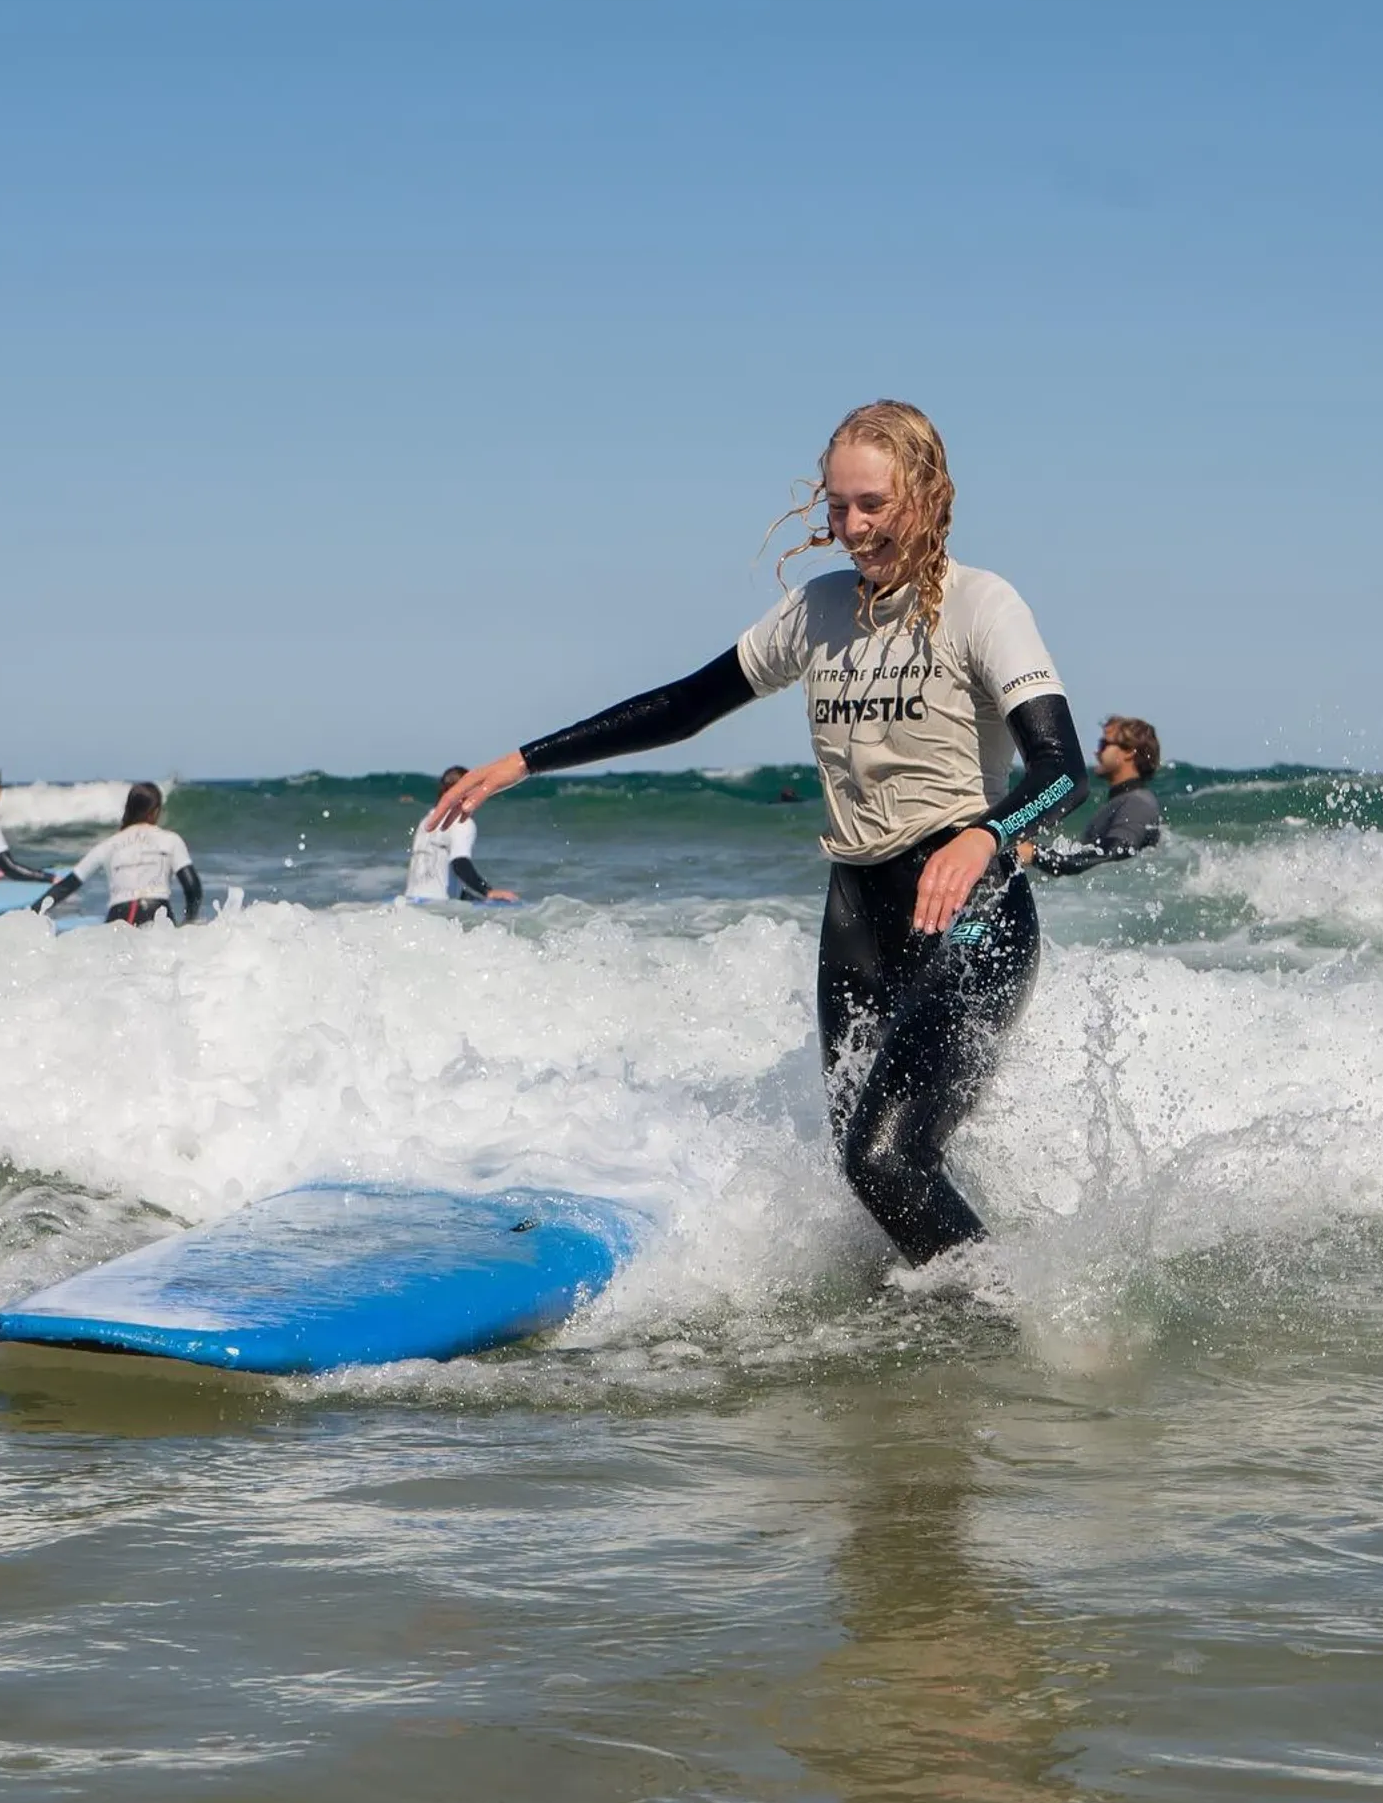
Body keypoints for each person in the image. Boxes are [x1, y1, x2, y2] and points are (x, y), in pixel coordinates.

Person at [426, 401, 1089, 1266]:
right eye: (838, 506)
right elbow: (688, 703)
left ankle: (1008, 1332)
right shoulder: (817, 613)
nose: (852, 528)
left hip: (972, 923)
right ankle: (928, 1369)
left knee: (884, 1159)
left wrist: (984, 837)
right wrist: (525, 760)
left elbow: (1064, 767)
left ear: (926, 494)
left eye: (873, 504)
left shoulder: (982, 605)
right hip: (857, 923)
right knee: (870, 1172)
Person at [34, 783, 203, 926]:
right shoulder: (171, 840)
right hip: (157, 912)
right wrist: (189, 921)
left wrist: (32, 913)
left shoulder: (108, 845)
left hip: (119, 915)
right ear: (155, 811)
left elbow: (68, 884)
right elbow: (192, 887)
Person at [1024, 716, 1162, 876]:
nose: (1096, 752)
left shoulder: (1137, 804)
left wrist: (1035, 854)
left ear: (1130, 752)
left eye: (1104, 745)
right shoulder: (1123, 801)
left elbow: (1115, 853)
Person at [404, 767, 519, 905]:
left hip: (411, 902)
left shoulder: (427, 821)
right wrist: (488, 892)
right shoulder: (461, 822)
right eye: (475, 788)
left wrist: (475, 897)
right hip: (438, 908)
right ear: (462, 791)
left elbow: (440, 877)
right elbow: (460, 863)